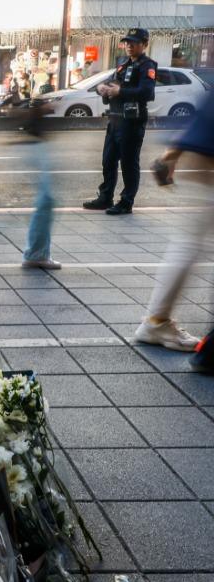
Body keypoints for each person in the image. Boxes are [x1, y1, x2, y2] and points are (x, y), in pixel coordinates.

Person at [132, 89, 214, 355]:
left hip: (202, 150)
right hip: (207, 153)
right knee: (190, 243)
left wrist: (171, 154)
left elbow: (206, 111)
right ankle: (156, 322)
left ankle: (157, 320)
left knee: (189, 242)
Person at [82, 28, 157, 216]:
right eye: (127, 42)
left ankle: (126, 201)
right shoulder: (123, 65)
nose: (129, 46)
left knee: (129, 164)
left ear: (144, 44)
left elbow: (147, 92)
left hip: (132, 122)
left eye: (134, 43)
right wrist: (101, 88)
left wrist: (120, 92)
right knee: (108, 161)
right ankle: (105, 197)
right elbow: (108, 83)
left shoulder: (147, 66)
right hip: (115, 120)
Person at [19, 102, 62, 270]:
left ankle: (37, 253)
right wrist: (39, 111)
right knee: (46, 201)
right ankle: (37, 254)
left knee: (46, 201)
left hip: (35, 142)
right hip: (36, 144)